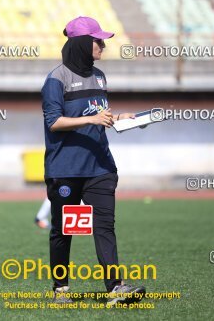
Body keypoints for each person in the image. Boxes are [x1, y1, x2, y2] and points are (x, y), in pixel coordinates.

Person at [41, 16, 145, 306]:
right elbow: (54, 122)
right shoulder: (55, 79)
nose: (103, 45)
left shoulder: (100, 76)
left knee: (104, 226)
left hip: (100, 166)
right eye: (98, 40)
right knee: (65, 229)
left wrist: (121, 119)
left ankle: (116, 287)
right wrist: (92, 118)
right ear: (82, 43)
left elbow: (102, 113)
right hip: (66, 169)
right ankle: (60, 289)